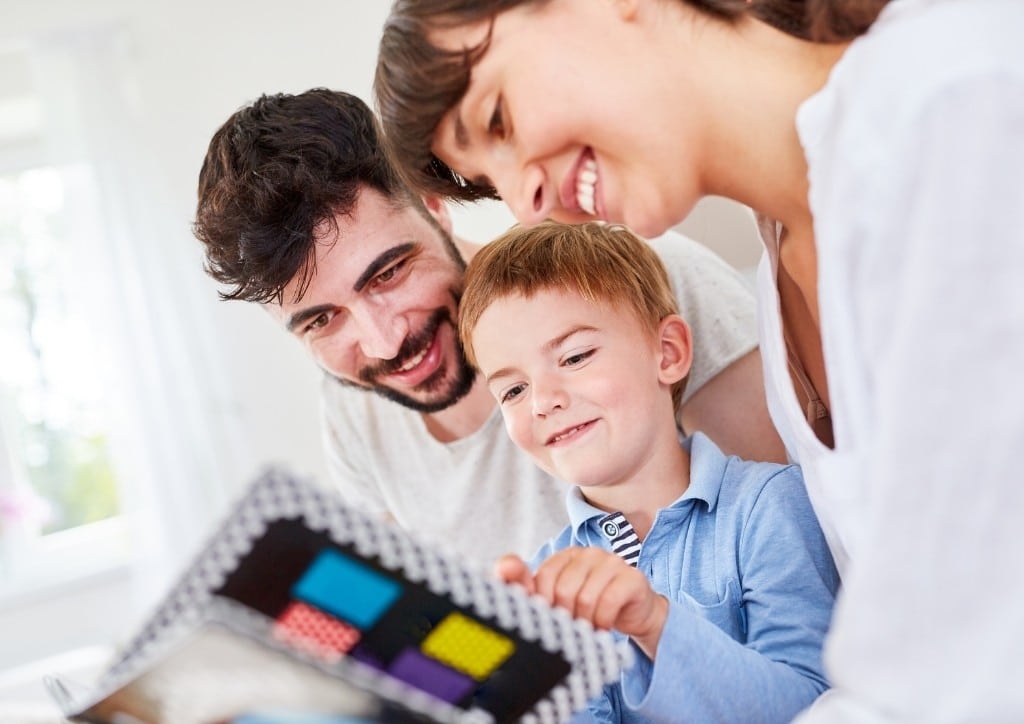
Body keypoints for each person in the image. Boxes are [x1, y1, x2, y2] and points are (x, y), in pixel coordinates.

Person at [373, 0, 1024, 720]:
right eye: (492, 184)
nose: (525, 204)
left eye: (499, 118)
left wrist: (656, 626)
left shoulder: (951, 109)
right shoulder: (780, 280)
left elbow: (974, 651)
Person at [192, 88, 784, 567]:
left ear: (434, 205)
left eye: (389, 274)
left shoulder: (629, 284)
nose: (385, 342)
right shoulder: (353, 418)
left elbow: (794, 545)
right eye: (322, 320)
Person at [458, 220, 838, 722]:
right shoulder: (547, 583)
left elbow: (809, 705)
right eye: (512, 390)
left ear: (668, 352)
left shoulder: (768, 506)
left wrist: (654, 623)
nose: (543, 402)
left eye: (574, 356)